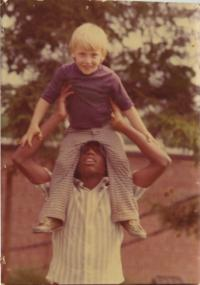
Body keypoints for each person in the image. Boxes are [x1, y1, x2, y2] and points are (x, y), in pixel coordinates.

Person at [20, 22, 164, 238]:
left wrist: (144, 132)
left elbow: (128, 107)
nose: (88, 61)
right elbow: (46, 98)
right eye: (82, 55)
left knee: (120, 165)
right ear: (73, 54)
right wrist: (34, 124)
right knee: (62, 165)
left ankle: (128, 216)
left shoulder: (110, 78)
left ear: (103, 55)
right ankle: (54, 215)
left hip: (105, 128)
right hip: (77, 130)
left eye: (93, 55)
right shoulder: (65, 73)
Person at [12, 90, 171, 284]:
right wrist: (57, 116)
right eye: (84, 151)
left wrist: (124, 127)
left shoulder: (123, 190)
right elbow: (20, 158)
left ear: (108, 161)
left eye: (97, 151)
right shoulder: (58, 188)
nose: (89, 154)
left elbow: (162, 162)